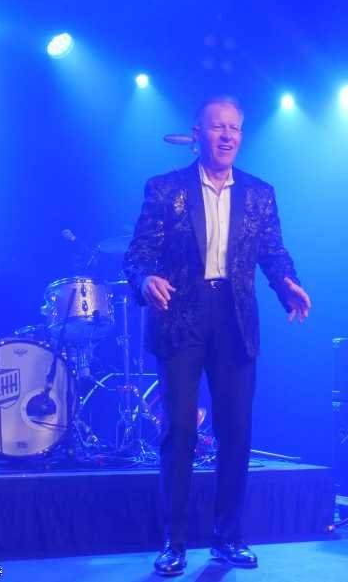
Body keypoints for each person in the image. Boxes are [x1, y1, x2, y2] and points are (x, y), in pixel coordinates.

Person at [123, 96, 311, 576]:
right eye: (218, 127)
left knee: (236, 431)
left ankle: (228, 537)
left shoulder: (259, 193)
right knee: (180, 431)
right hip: (179, 315)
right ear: (197, 134)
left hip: (234, 318)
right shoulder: (165, 189)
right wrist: (145, 280)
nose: (227, 136)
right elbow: (138, 254)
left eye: (235, 128)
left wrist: (287, 284)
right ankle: (174, 541)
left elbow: (273, 252)